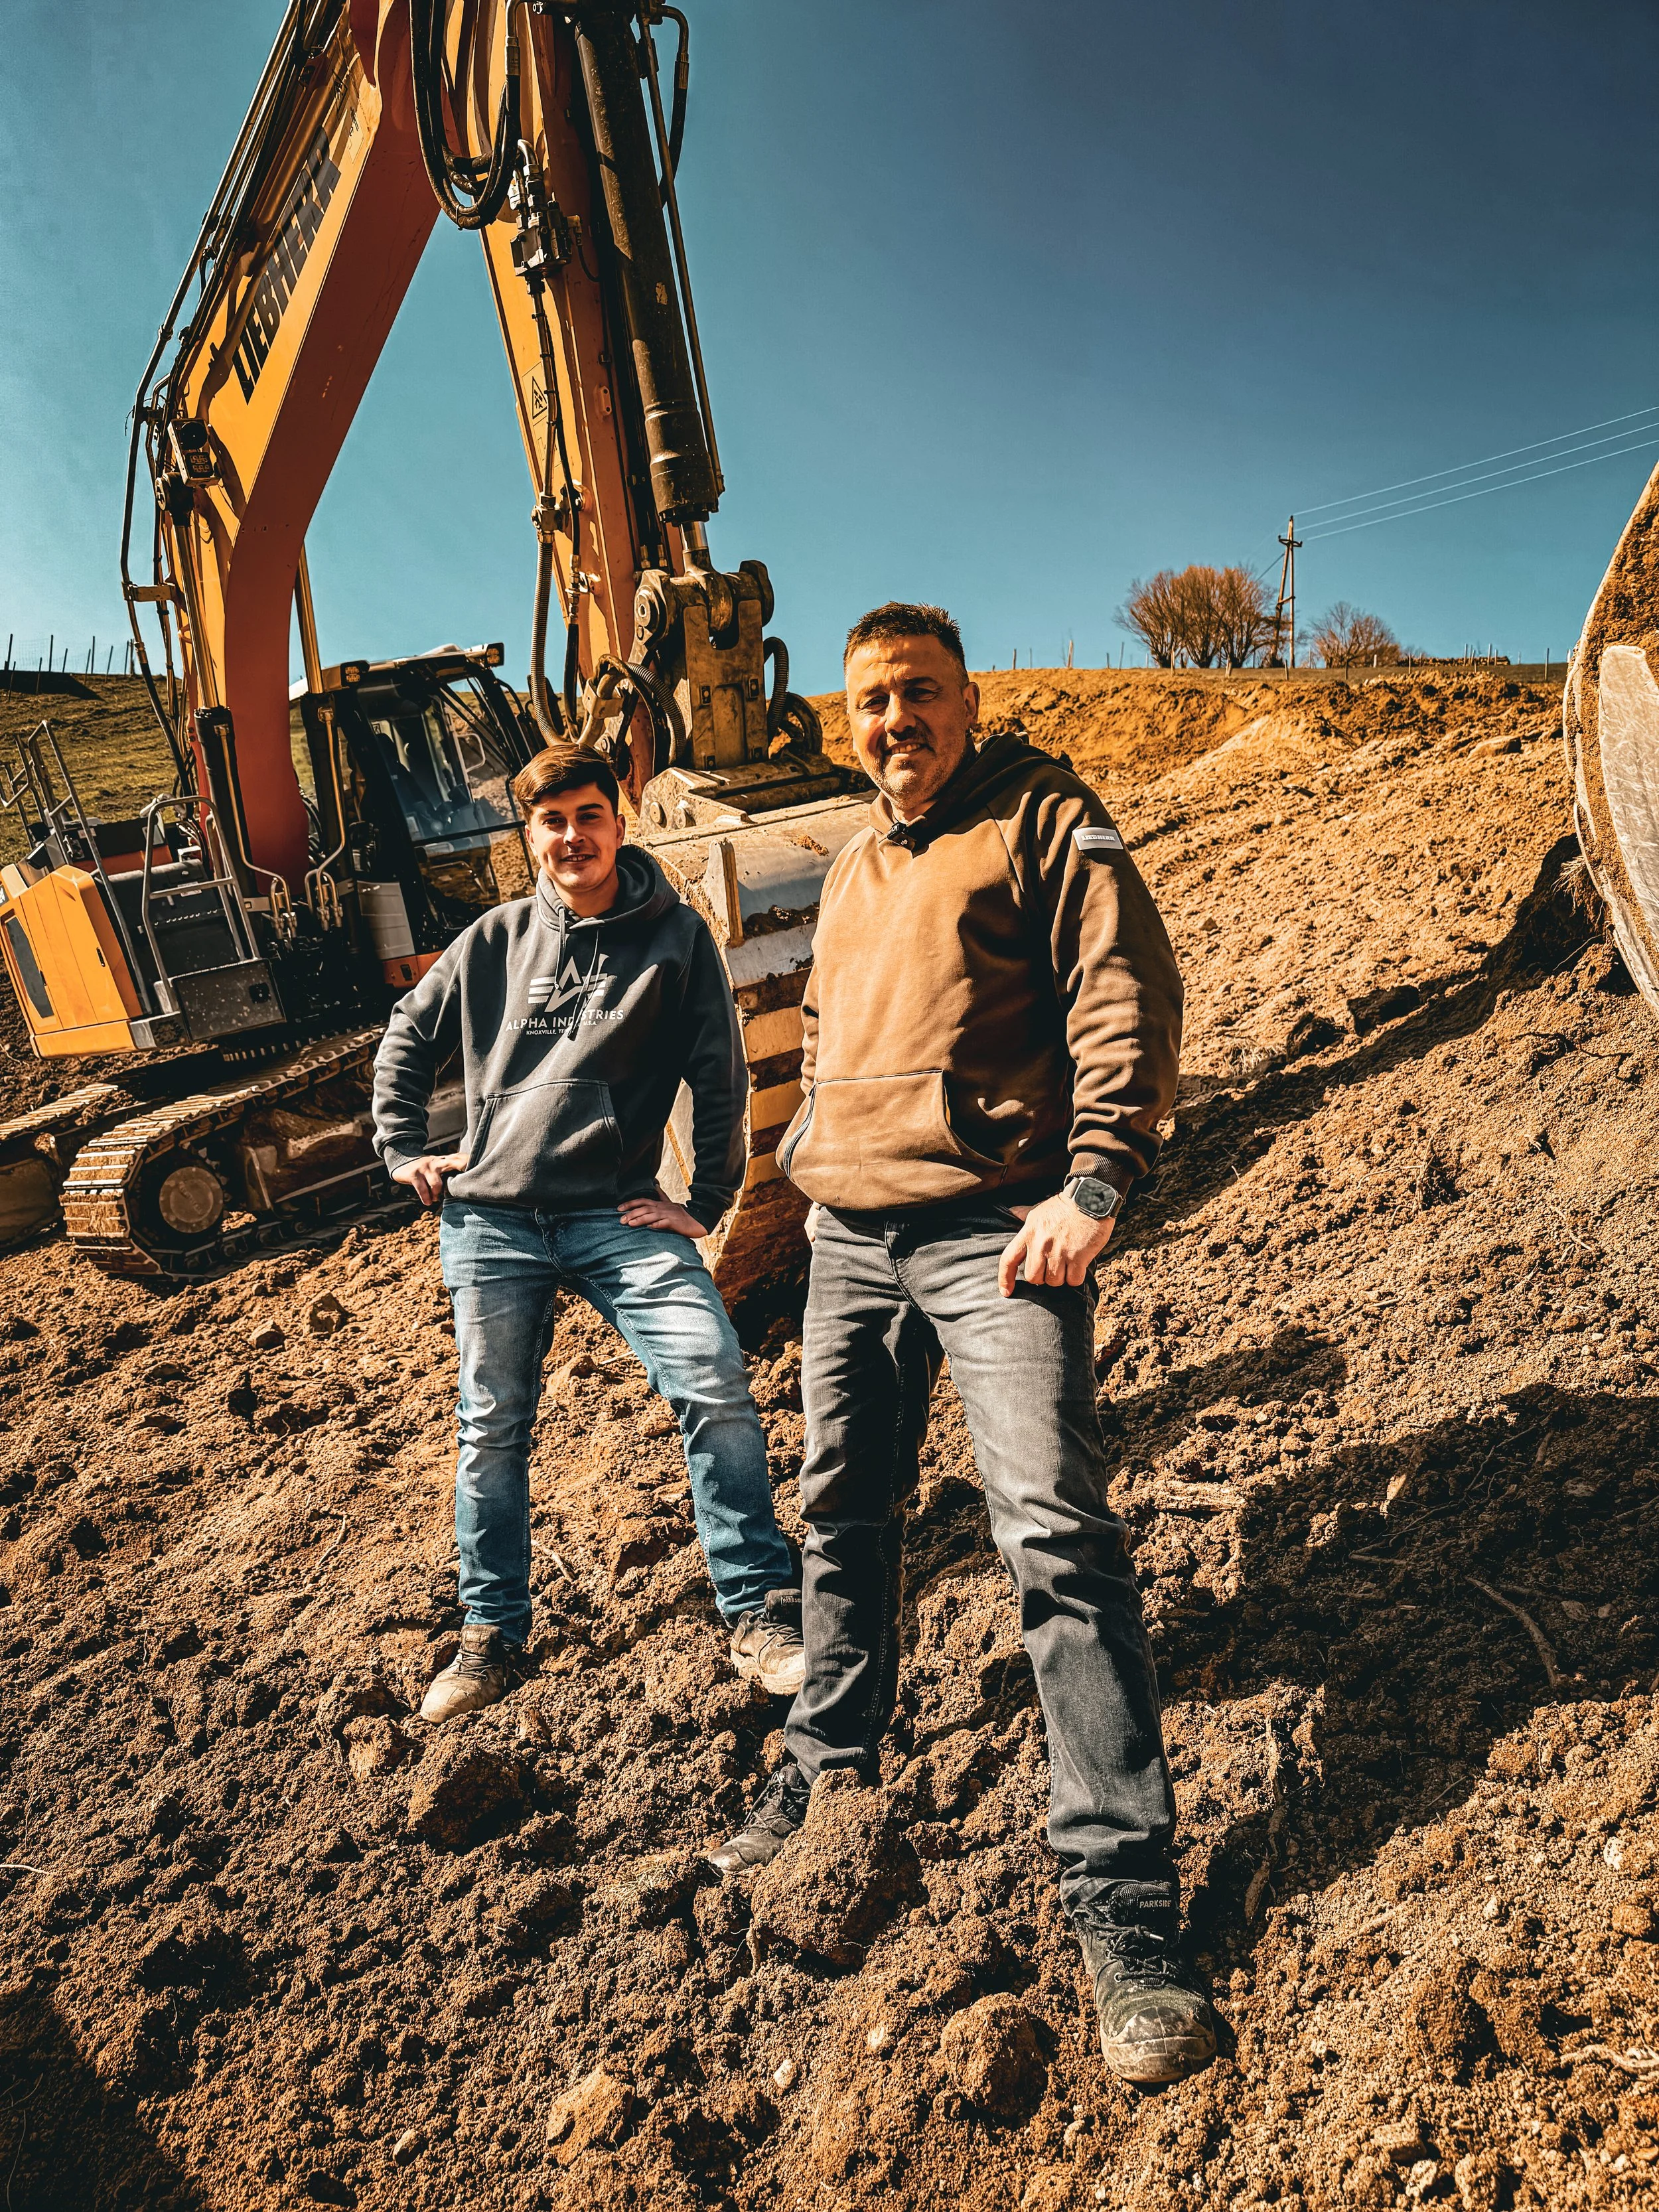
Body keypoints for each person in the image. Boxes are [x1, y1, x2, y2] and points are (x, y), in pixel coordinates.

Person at [707, 603, 1217, 2087]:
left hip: (996, 1232)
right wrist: (805, 1163)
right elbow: (826, 1027)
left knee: (1052, 1531)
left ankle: (1124, 1904)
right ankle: (826, 1768)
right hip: (848, 1238)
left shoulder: (1042, 815)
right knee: (840, 1511)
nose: (894, 720)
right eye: (870, 701)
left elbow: (1124, 987)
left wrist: (1097, 1177)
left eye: (919, 692)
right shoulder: (854, 861)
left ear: (967, 700)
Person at [371, 743, 804, 1724]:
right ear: (531, 835)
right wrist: (402, 1147)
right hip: (491, 1217)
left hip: (616, 1212)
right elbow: (406, 1033)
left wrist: (709, 1199)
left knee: (713, 1378)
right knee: (492, 1427)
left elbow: (720, 1072)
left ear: (621, 819)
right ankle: (490, 1635)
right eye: (552, 821)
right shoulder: (493, 938)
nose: (573, 837)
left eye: (589, 816)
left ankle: (758, 1612)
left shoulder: (677, 939)